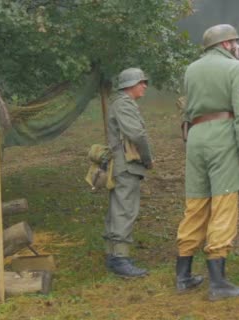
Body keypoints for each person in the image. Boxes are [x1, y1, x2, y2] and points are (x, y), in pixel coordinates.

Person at [175, 24, 239, 300]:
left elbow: (187, 108)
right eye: (235, 42)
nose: (238, 47)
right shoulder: (236, 68)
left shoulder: (191, 69)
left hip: (196, 138)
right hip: (223, 137)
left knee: (195, 204)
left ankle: (183, 275)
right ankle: (218, 283)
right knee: (223, 204)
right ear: (226, 44)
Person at [104, 67, 153, 278]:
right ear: (131, 85)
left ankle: (113, 253)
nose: (144, 86)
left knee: (118, 207)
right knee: (125, 209)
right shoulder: (123, 104)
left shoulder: (122, 103)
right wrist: (148, 158)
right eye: (142, 82)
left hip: (122, 163)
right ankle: (119, 259)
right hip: (126, 163)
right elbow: (137, 134)